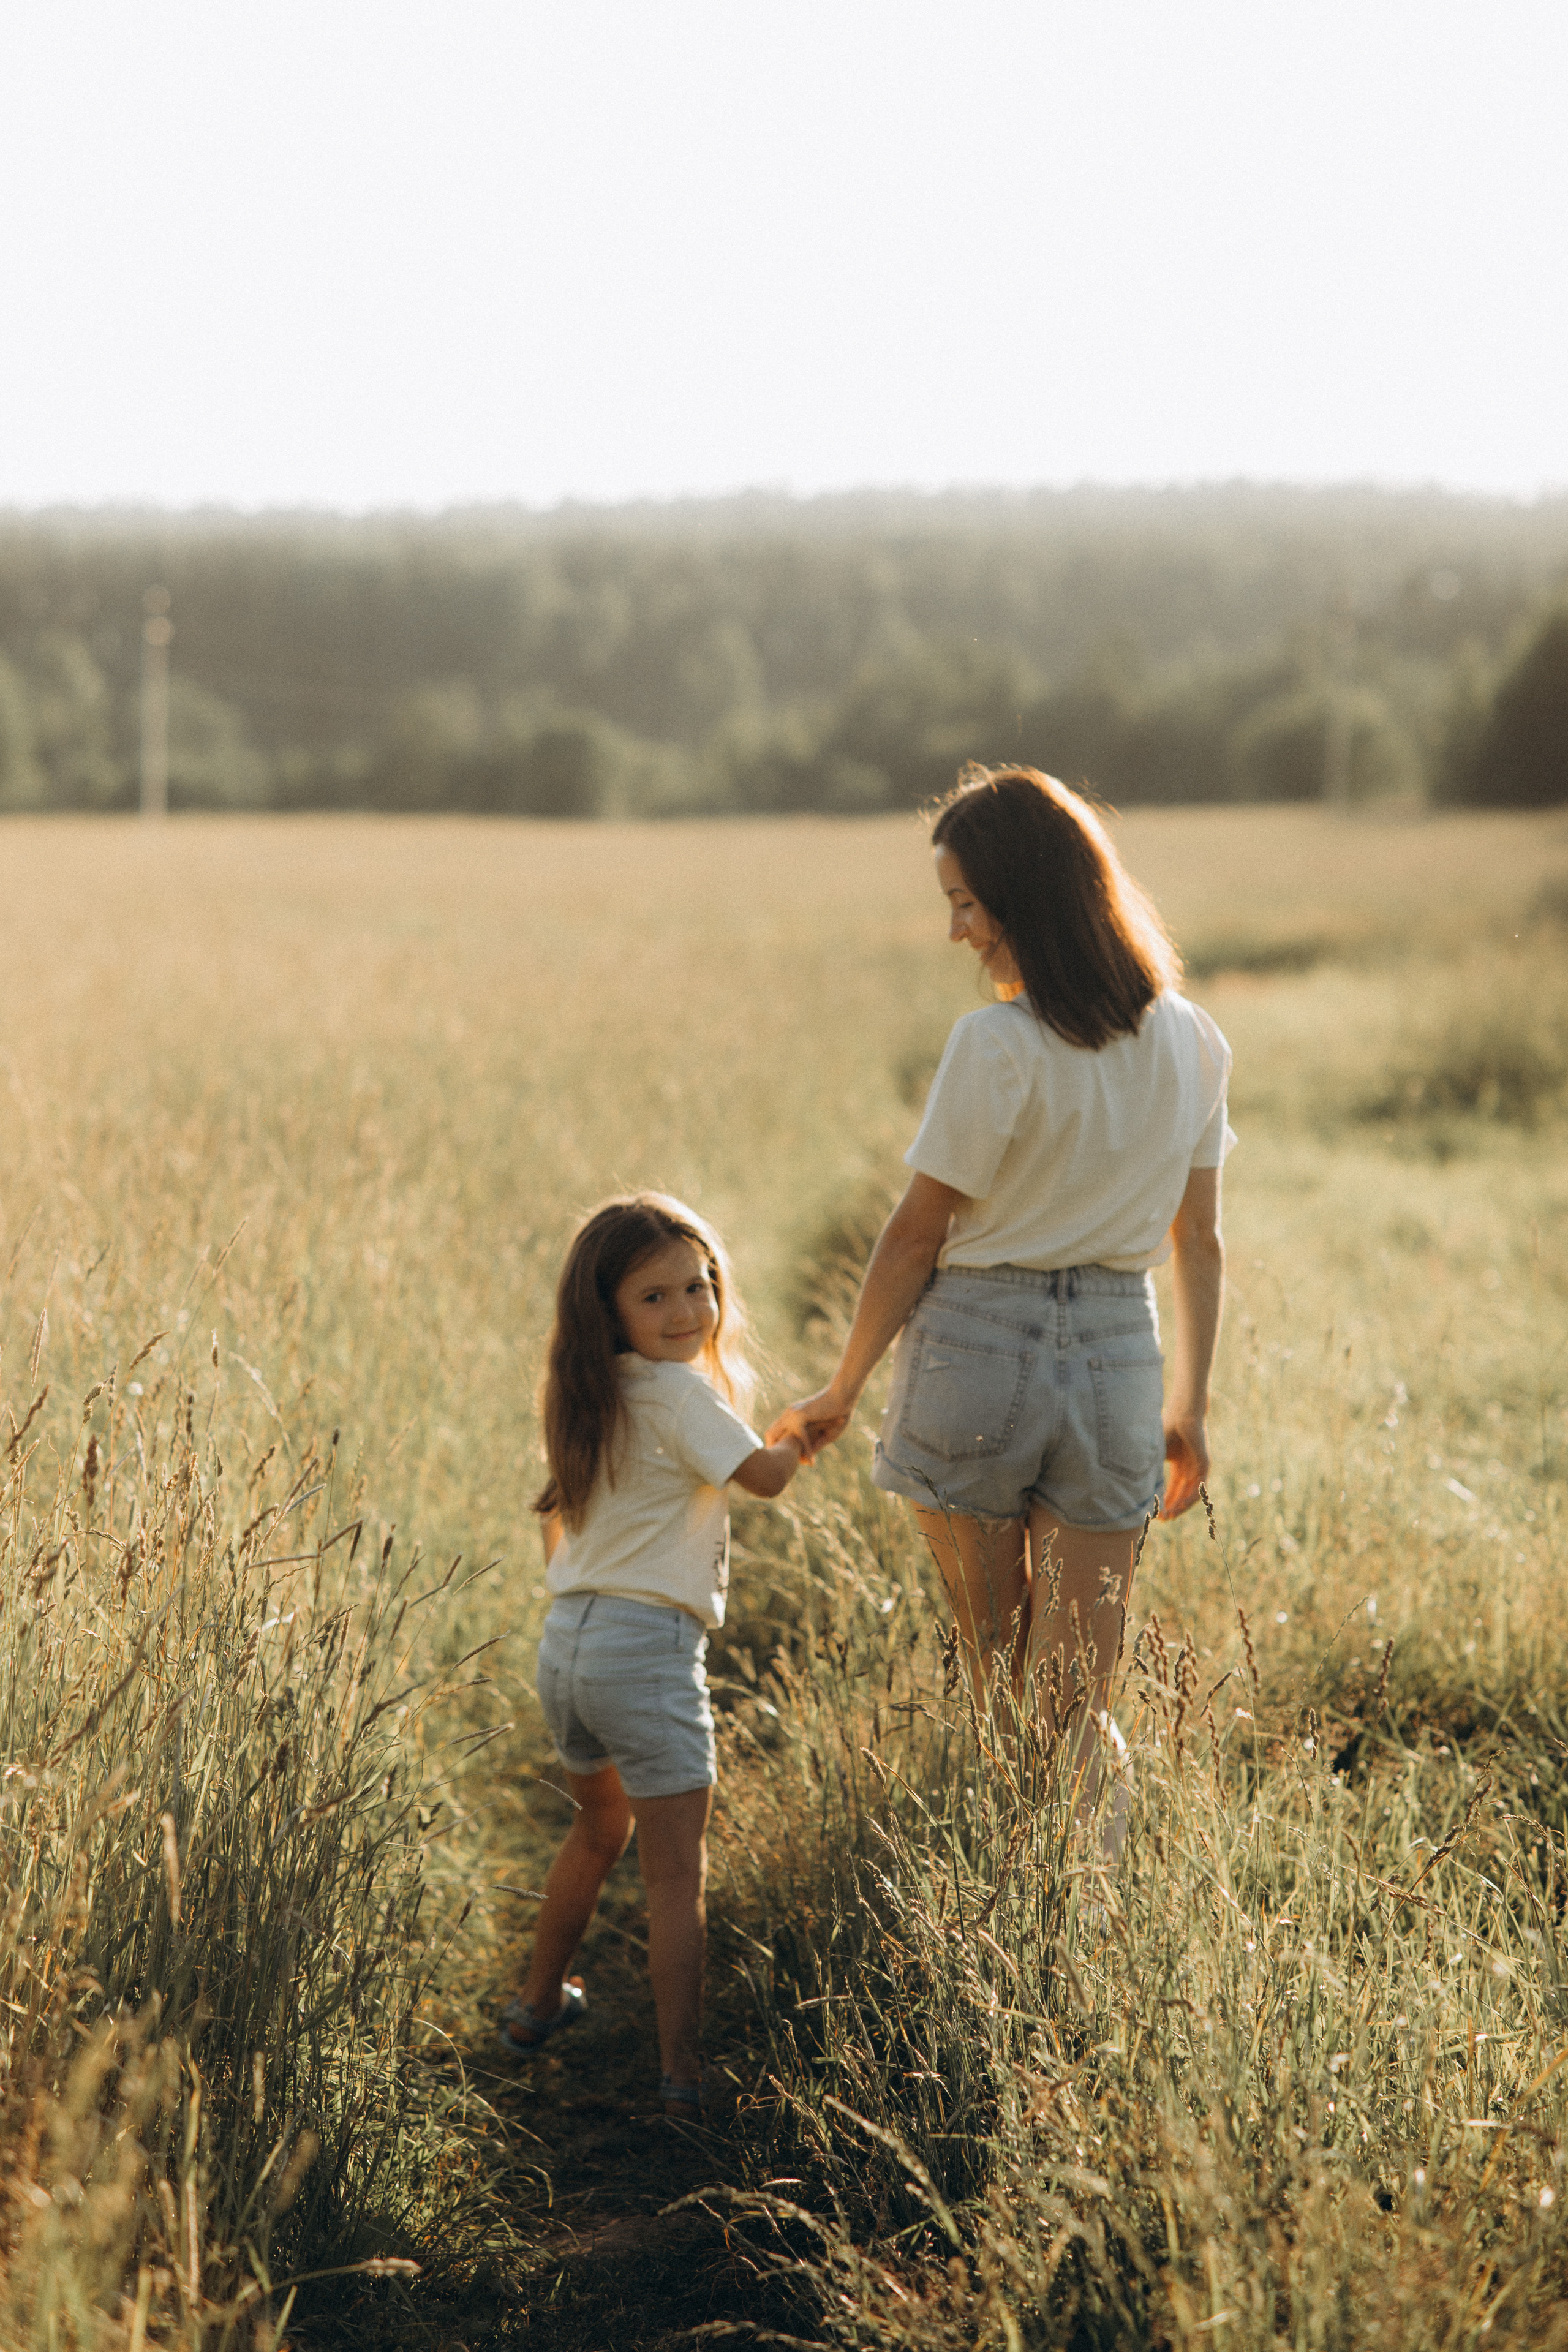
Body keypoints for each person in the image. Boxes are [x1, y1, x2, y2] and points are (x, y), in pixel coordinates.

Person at [769, 765, 1232, 1824]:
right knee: (1077, 1695)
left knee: (994, 1667)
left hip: (977, 1350)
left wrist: (844, 1384)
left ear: (1021, 900)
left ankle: (1012, 1882)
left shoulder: (996, 1046)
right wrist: (1190, 1409)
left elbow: (916, 1234)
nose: (957, 931)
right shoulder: (1195, 1041)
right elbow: (1199, 1238)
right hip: (1122, 1357)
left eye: (964, 904)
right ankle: (1076, 1894)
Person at [500, 1193, 807, 2116]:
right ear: (609, 1312)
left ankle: (535, 2006)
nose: (686, 1313)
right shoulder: (681, 1393)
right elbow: (764, 1480)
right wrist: (799, 1432)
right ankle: (684, 2077)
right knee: (678, 1873)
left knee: (598, 1830)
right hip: (645, 1647)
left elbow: (555, 1524)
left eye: (700, 1286)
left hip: (569, 1646)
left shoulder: (585, 1395)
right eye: (655, 1297)